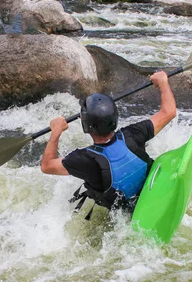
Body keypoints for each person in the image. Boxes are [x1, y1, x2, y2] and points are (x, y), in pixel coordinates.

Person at [40, 71, 176, 215]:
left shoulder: (83, 160)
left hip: (126, 216)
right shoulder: (133, 134)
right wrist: (162, 82)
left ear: (86, 125)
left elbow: (46, 166)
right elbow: (169, 111)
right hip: (152, 194)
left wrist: (56, 132)